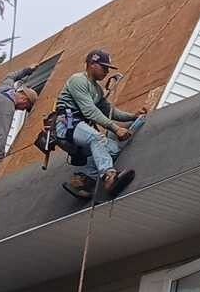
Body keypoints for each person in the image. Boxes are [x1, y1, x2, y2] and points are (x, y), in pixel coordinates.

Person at [57, 49, 147, 200]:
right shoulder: (78, 80)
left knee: (113, 149)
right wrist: (115, 128)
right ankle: (109, 176)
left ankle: (82, 180)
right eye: (104, 67)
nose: (106, 71)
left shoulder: (97, 90)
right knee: (96, 137)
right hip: (67, 125)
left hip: (80, 128)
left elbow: (110, 111)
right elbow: (89, 111)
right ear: (92, 64)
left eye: (108, 69)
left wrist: (133, 116)